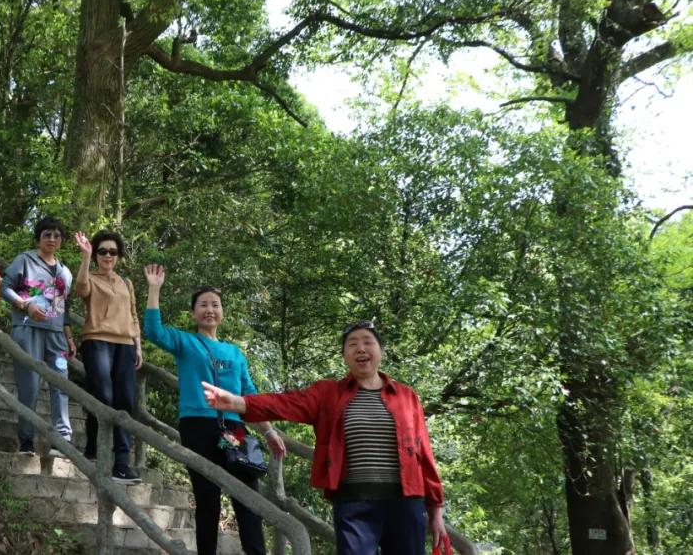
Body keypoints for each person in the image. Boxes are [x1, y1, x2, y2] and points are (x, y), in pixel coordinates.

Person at [200, 320, 452, 555]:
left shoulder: (406, 397)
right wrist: (237, 402)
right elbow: (284, 403)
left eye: (368, 342)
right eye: (352, 344)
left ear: (381, 351)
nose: (361, 348)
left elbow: (424, 455)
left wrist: (436, 510)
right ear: (345, 356)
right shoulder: (329, 394)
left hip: (406, 504)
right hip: (354, 504)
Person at [142, 264, 285, 555]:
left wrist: (269, 430)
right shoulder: (186, 342)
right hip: (197, 424)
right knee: (207, 497)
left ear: (222, 312)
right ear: (194, 313)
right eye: (203, 305)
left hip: (234, 427)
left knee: (248, 495)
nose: (210, 310)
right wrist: (154, 288)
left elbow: (250, 394)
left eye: (215, 305)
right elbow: (153, 331)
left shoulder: (234, 352)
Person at [1, 217, 76, 457]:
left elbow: (63, 307)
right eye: (47, 235)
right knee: (29, 385)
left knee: (61, 383)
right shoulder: (25, 260)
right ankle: (25, 440)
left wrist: (69, 337)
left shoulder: (65, 272)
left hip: (57, 335)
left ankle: (62, 440)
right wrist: (25, 305)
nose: (52, 239)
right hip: (27, 328)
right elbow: (5, 288)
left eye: (56, 236)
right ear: (39, 238)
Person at [73, 230, 142, 484]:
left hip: (124, 344)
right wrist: (85, 257)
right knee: (103, 396)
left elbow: (133, 315)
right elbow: (80, 290)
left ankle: (122, 463)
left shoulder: (126, 283)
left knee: (125, 400)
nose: (108, 256)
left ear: (119, 256)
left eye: (113, 252)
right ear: (96, 254)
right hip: (96, 341)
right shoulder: (90, 277)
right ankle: (94, 446)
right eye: (102, 251)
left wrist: (138, 345)